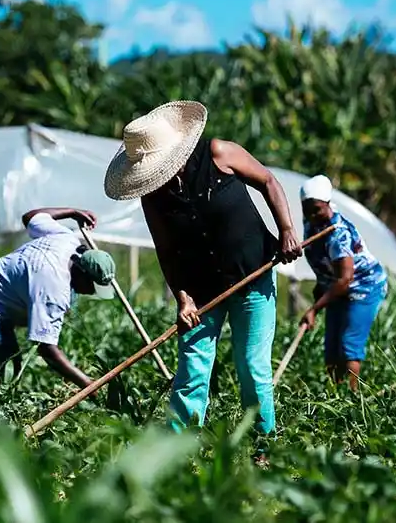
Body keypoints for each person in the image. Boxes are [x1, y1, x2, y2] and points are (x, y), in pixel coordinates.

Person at [103, 100, 301, 460]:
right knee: (192, 371)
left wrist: (286, 230)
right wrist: (183, 297)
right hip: (200, 291)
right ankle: (178, 451)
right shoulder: (153, 196)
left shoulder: (219, 153)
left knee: (252, 366)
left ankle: (263, 445)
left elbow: (268, 181)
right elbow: (166, 250)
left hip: (251, 276)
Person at [0, 207, 118, 389]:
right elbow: (45, 347)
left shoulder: (66, 239)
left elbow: (30, 217)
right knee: (2, 369)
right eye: (91, 287)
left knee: (11, 366)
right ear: (81, 273)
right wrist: (88, 384)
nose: (90, 293)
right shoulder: (53, 289)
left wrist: (71, 212)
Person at [298, 175, 388, 392]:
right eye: (307, 210)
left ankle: (352, 398)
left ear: (328, 204)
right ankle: (335, 395)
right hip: (337, 288)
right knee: (332, 347)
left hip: (364, 286)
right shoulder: (311, 224)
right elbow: (326, 266)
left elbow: (345, 279)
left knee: (349, 345)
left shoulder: (338, 234)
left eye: (317, 210)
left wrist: (314, 309)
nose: (311, 215)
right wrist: (320, 292)